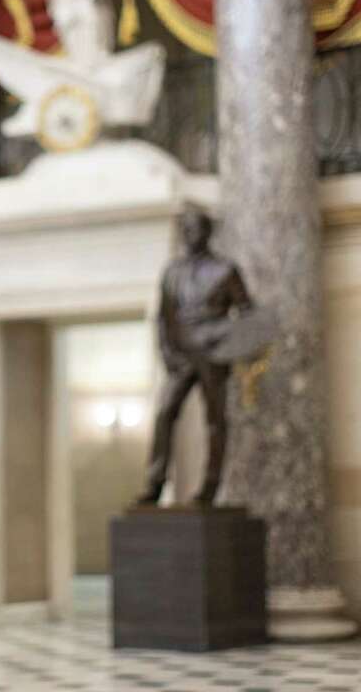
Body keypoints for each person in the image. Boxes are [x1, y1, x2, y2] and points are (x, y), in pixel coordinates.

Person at [137, 209, 251, 506]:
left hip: (213, 356)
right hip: (180, 356)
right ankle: (155, 482)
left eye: (195, 228)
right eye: (185, 228)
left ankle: (210, 488)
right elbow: (163, 317)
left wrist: (229, 346)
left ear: (207, 232)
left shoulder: (225, 270)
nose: (190, 234)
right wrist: (166, 353)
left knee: (214, 421)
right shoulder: (172, 271)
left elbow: (247, 313)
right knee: (164, 413)